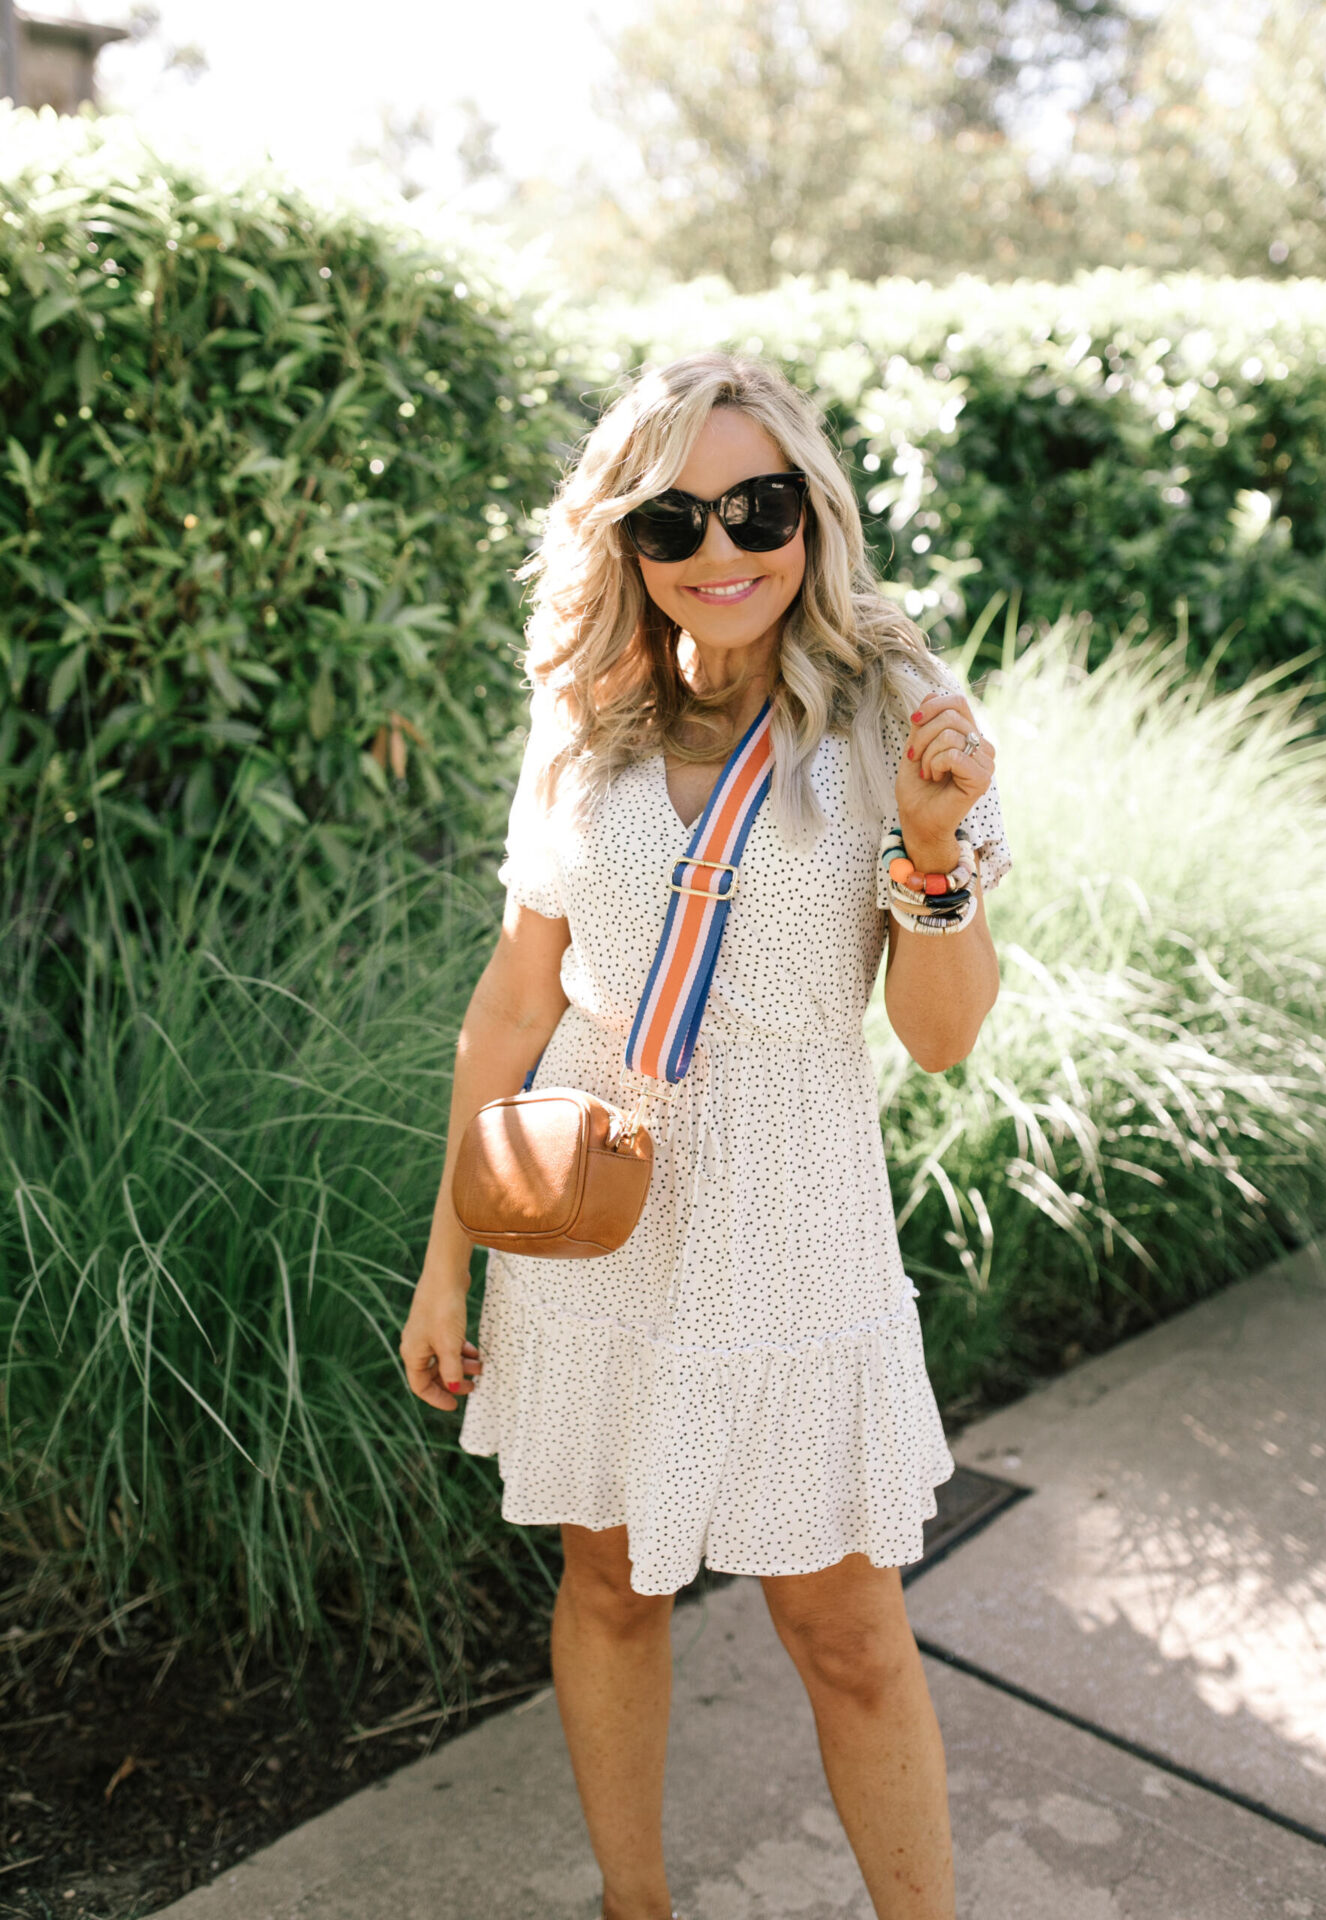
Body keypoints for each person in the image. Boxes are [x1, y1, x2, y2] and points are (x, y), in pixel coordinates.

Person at [400, 351, 1010, 1920]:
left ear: (812, 512)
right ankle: (636, 1908)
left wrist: (932, 850)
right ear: (627, 541)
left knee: (851, 1635)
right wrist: (444, 1270)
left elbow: (940, 1042)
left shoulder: (899, 719)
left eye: (759, 506)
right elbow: (507, 1013)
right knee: (608, 1583)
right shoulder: (584, 725)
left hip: (794, 1221)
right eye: (677, 517)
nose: (723, 549)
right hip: (594, 1220)